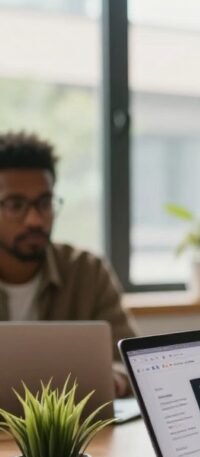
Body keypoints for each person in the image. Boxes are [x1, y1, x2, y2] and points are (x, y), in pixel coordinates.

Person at [0, 131, 138, 397]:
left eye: (44, 203)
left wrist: (115, 380)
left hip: (74, 435)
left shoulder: (87, 270)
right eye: (16, 205)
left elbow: (132, 362)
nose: (35, 220)